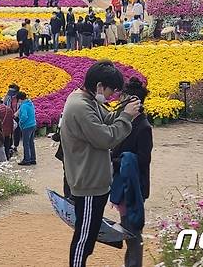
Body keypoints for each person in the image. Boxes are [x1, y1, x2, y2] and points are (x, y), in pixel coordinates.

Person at [61, 60, 141, 267]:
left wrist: (125, 110)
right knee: (84, 238)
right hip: (87, 182)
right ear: (98, 86)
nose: (110, 96)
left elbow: (108, 118)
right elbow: (105, 138)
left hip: (94, 180)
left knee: (89, 234)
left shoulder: (88, 99)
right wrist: (126, 118)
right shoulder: (80, 105)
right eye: (110, 91)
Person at [111, 77, 153, 267]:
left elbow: (143, 160)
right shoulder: (126, 122)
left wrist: (117, 159)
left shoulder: (143, 127)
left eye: (125, 99)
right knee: (127, 227)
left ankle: (134, 264)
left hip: (134, 186)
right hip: (123, 182)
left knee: (133, 230)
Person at [15, 91, 36, 166]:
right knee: (31, 142)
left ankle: (27, 159)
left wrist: (20, 123)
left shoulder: (23, 106)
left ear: (20, 99)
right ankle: (33, 159)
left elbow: (24, 116)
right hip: (33, 124)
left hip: (26, 126)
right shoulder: (30, 103)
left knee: (26, 143)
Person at [3, 84, 21, 153]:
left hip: (17, 116)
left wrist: (16, 113)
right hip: (9, 116)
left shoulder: (19, 98)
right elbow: (4, 104)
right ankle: (10, 146)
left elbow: (21, 107)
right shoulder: (8, 97)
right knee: (9, 131)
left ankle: (15, 145)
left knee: (17, 131)